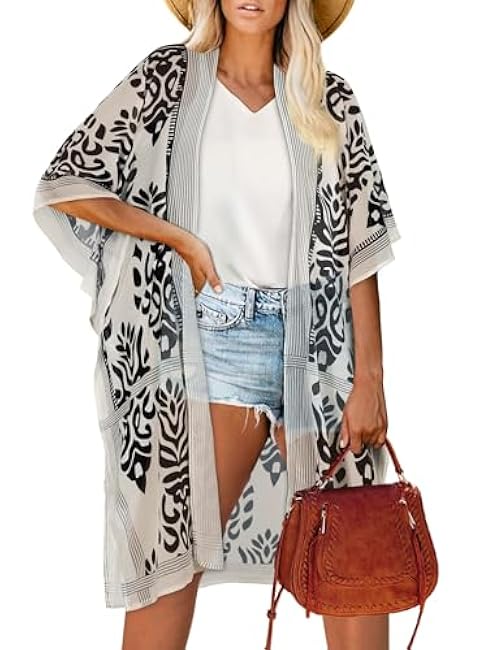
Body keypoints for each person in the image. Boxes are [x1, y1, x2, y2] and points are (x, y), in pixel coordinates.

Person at [33, 1, 401, 649]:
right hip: (214, 346)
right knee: (173, 569)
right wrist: (179, 239)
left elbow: (359, 248)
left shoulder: (329, 100)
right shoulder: (166, 81)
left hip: (318, 352)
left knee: (356, 563)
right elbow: (69, 183)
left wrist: (369, 377)